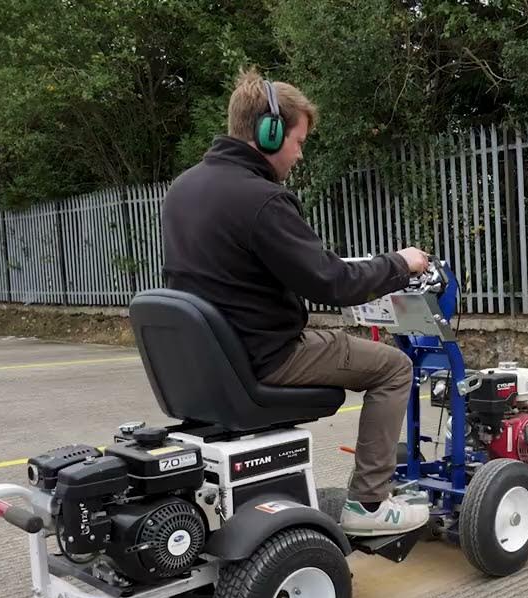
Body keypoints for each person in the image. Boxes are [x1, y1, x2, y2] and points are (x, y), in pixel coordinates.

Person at [160, 67, 432, 537]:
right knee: (394, 368)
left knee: (335, 341)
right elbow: (332, 283)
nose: (300, 153)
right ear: (268, 132)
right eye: (298, 140)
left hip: (208, 362)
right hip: (265, 356)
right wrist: (400, 263)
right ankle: (369, 504)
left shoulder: (183, 189)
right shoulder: (262, 199)